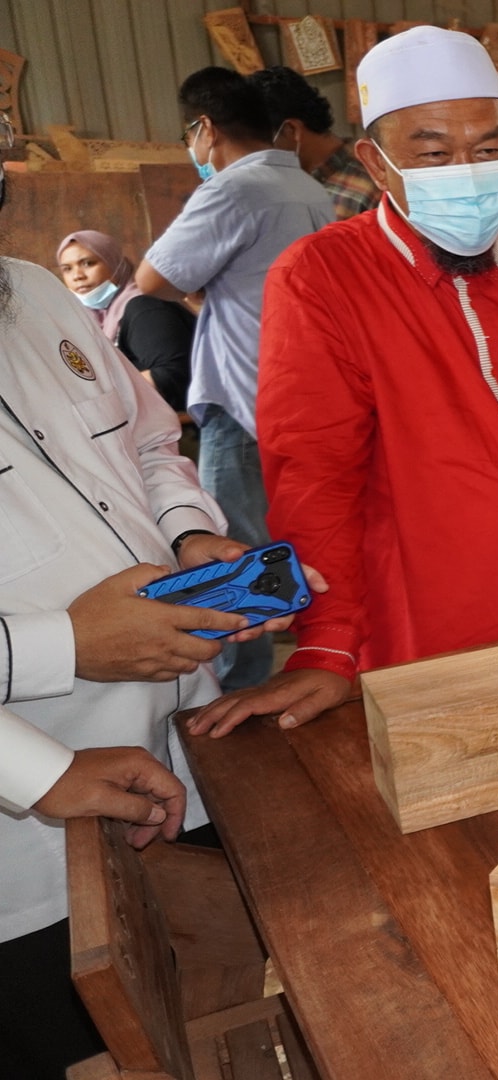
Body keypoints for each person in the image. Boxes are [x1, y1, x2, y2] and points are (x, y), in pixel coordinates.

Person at [189, 27, 498, 740]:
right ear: (376, 160)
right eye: (433, 152)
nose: (467, 170)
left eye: (489, 149)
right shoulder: (324, 278)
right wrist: (329, 643)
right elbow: (315, 473)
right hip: (435, 639)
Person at [0, 127, 309, 1074]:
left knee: (207, 989)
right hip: (29, 840)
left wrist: (190, 538)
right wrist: (65, 651)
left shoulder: (38, 291)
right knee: (75, 1039)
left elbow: (147, 445)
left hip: (180, 739)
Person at [134, 67, 334, 691]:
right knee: (289, 546)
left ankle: (237, 689)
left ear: (206, 128)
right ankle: (296, 664)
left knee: (235, 557)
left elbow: (152, 280)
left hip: (242, 397)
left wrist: (205, 291)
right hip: (293, 391)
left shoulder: (233, 189)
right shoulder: (306, 187)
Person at [56, 230, 195, 413]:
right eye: (67, 268)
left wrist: (101, 402)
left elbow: (171, 376)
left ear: (115, 265)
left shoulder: (144, 308)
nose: (77, 275)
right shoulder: (89, 321)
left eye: (88, 263)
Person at [250, 65, 380, 220]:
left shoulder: (369, 186)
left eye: (258, 141)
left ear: (291, 130)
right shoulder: (280, 185)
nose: (252, 154)